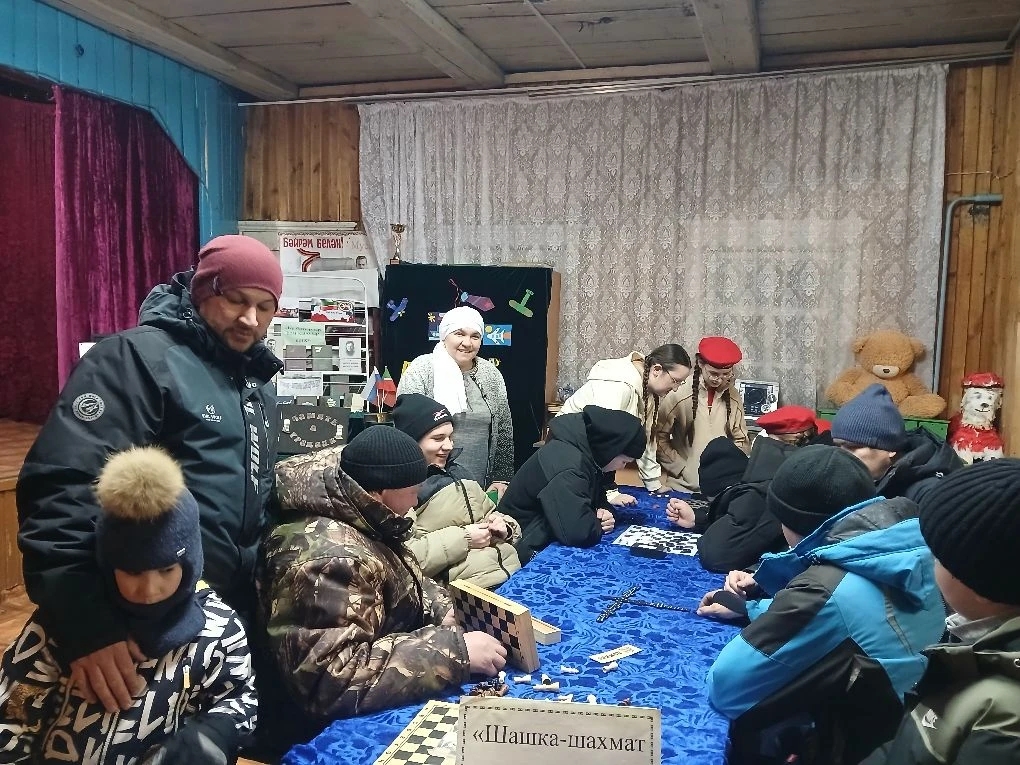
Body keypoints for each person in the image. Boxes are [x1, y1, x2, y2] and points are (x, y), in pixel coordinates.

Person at [16, 234, 283, 714]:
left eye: (265, 307)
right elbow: (63, 487)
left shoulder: (255, 383)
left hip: (213, 624)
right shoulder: (134, 360)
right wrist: (87, 624)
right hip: (132, 627)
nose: (250, 319)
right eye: (236, 300)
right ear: (202, 291)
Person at [0, 447, 258, 763]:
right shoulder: (59, 627)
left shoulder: (220, 630)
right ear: (108, 564)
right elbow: (11, 714)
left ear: (190, 561)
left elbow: (239, 699)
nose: (149, 590)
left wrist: (212, 737)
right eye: (132, 571)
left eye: (167, 569)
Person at [259, 426, 507, 746]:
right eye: (413, 491)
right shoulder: (330, 560)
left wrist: (442, 610)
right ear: (380, 492)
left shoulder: (360, 508)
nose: (415, 502)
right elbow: (330, 679)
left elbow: (399, 575)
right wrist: (453, 653)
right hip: (321, 732)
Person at [699, 445, 946, 765]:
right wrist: (753, 608)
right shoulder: (906, 548)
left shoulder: (825, 588)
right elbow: (849, 616)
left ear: (790, 521)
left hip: (860, 750)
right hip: (911, 732)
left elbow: (728, 688)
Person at [863, 459, 1020, 765]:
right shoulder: (980, 639)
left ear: (978, 581)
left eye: (937, 555)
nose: (928, 559)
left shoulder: (1004, 724)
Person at [668, 407, 834, 572]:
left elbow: (718, 553)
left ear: (775, 444)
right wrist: (700, 519)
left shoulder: (773, 486)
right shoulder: (821, 468)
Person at [392, 393, 522, 588]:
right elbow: (405, 558)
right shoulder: (405, 490)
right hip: (465, 593)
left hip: (513, 576)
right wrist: (465, 538)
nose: (449, 446)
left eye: (451, 437)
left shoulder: (460, 473)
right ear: (411, 442)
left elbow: (491, 514)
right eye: (438, 438)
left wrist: (506, 528)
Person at [499, 405, 646, 564]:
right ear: (611, 450)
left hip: (540, 532)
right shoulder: (568, 465)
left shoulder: (587, 453)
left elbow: (596, 496)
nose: (622, 467)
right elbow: (578, 532)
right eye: (624, 461)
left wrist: (605, 511)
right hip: (516, 544)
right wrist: (598, 521)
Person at [397, 306, 513, 499]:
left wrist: (502, 477)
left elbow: (504, 430)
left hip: (480, 488)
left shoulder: (491, 375)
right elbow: (405, 432)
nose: (467, 343)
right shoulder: (422, 369)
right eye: (459, 334)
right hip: (427, 487)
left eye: (475, 336)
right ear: (444, 335)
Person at [558, 344, 692, 498]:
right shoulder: (618, 386)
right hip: (566, 453)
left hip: (585, 456)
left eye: (680, 383)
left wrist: (654, 484)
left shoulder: (649, 391)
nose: (675, 388)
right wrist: (608, 493)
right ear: (656, 370)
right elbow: (604, 443)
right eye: (675, 381)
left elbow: (646, 439)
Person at [831, 383, 962, 502]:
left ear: (890, 449)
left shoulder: (929, 494)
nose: (840, 455)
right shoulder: (860, 477)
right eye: (837, 446)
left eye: (853, 447)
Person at [656, 336, 749, 492]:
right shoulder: (679, 392)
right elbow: (658, 437)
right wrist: (681, 468)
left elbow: (741, 440)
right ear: (700, 363)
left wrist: (730, 471)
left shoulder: (733, 396)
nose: (719, 380)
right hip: (683, 487)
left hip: (722, 488)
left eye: (726, 374)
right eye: (713, 373)